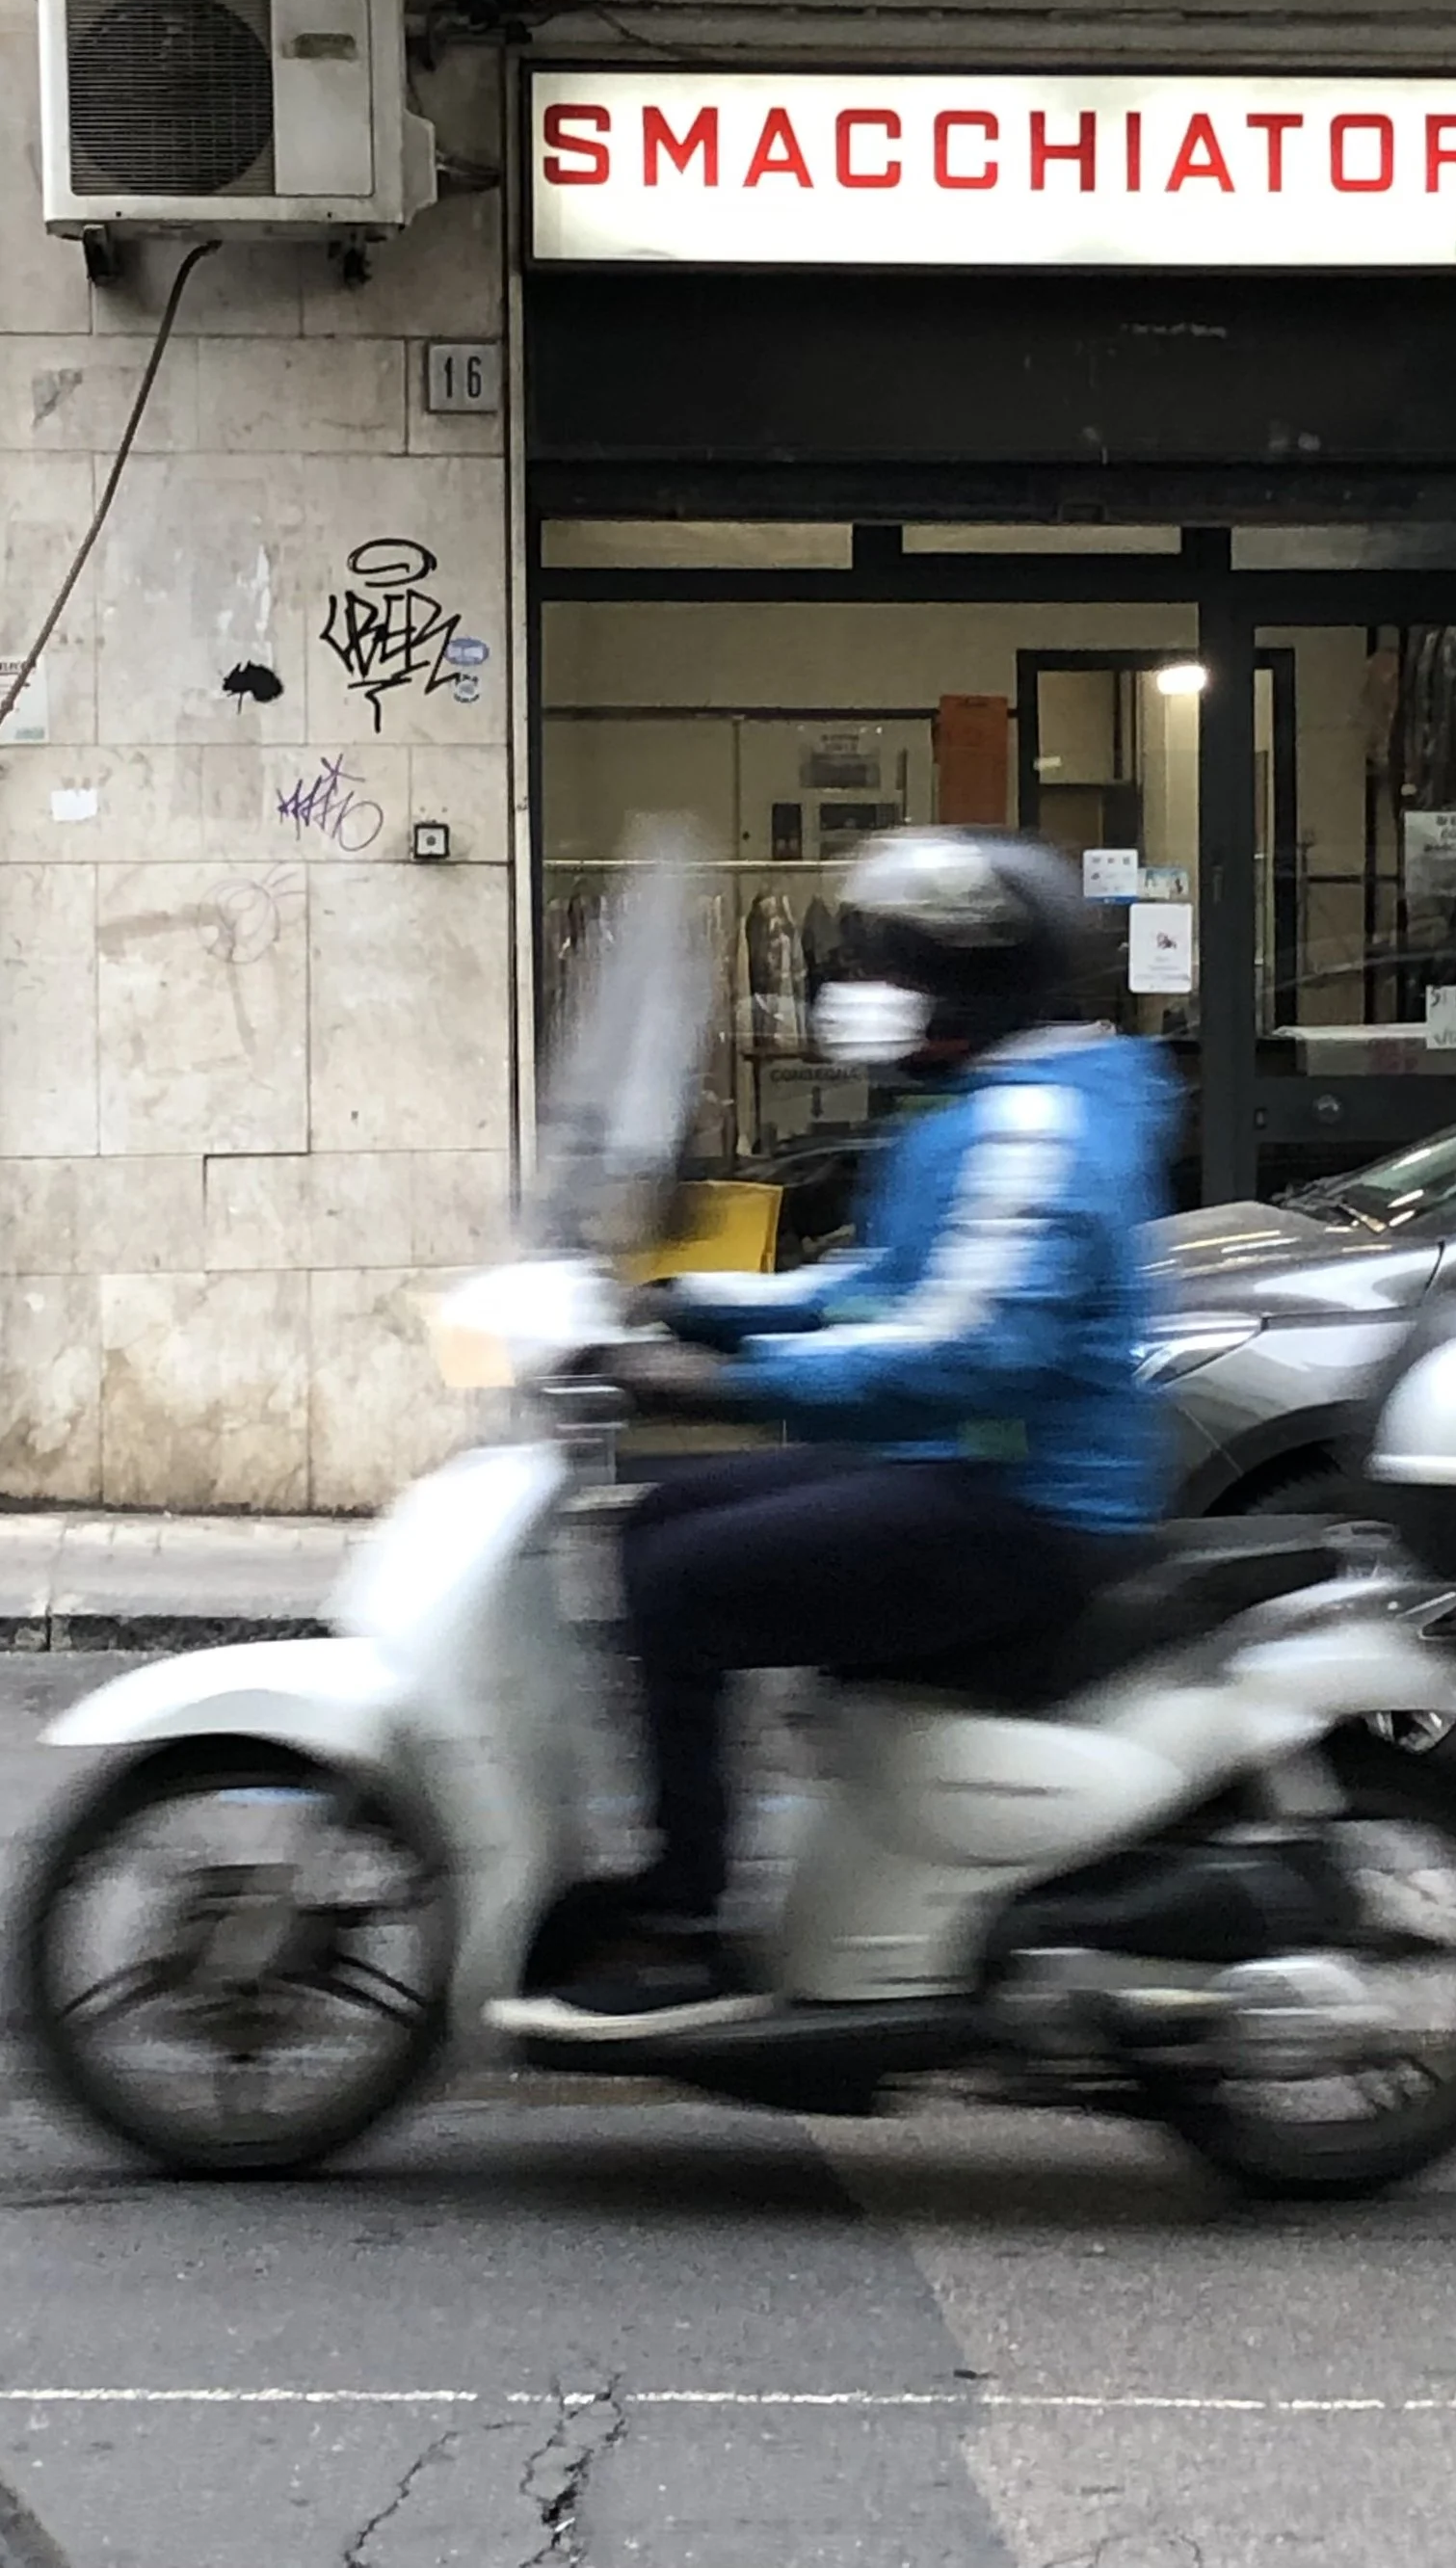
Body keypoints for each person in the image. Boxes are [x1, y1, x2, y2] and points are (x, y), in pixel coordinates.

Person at [498, 827, 1179, 2037]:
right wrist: (684, 1306)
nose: (863, 994)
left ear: (976, 979)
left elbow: (965, 1351)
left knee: (681, 1583)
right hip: (965, 1470)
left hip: (1024, 1505)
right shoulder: (985, 1107)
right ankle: (703, 1876)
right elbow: (874, 1289)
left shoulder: (1032, 1127)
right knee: (657, 1521)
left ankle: (690, 1915)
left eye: (895, 965)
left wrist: (721, 1388)